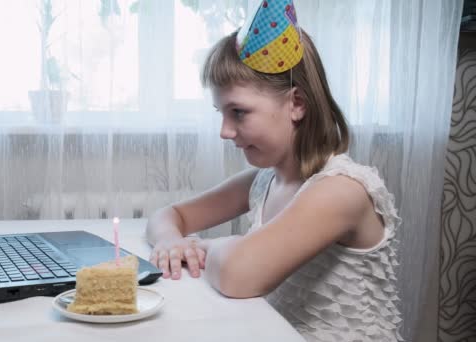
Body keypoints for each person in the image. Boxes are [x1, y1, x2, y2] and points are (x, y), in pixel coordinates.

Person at [145, 1, 403, 341]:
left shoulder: (342, 190)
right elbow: (170, 214)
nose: (224, 130)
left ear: (296, 104)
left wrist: (201, 247)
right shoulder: (264, 180)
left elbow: (239, 274)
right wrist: (170, 242)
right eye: (221, 113)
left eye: (238, 112)